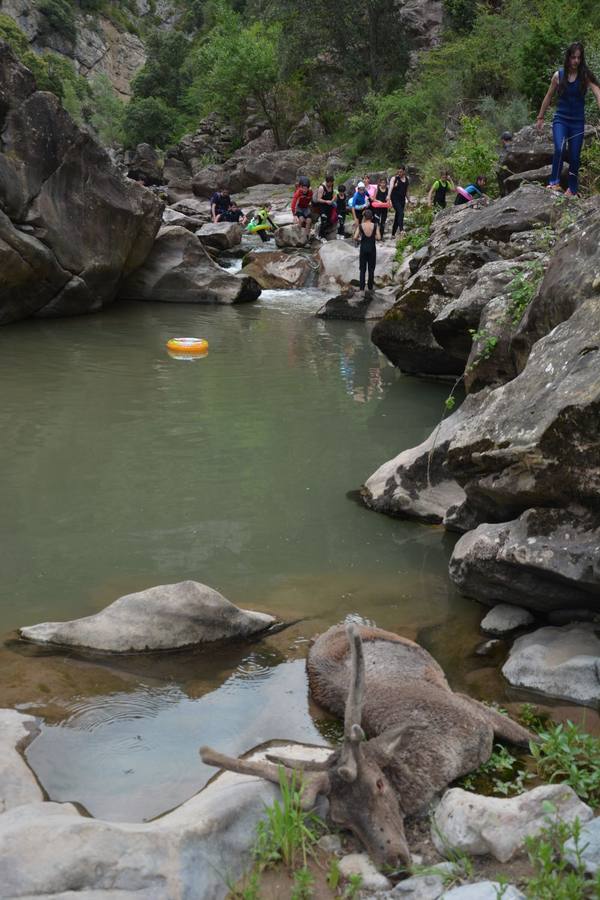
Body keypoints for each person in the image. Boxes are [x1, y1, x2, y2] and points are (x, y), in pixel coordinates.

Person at [536, 41, 600, 197]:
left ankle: (572, 189)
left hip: (577, 122)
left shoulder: (585, 75)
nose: (576, 61)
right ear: (568, 58)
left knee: (574, 156)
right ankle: (554, 183)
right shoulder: (558, 75)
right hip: (561, 120)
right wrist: (540, 116)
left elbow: (598, 93)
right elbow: (548, 96)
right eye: (573, 57)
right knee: (559, 148)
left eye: (578, 58)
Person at [357, 209, 380, 295]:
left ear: (364, 217)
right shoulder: (375, 225)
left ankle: (362, 289)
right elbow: (379, 237)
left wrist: (360, 239)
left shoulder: (360, 226)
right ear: (372, 217)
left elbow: (355, 237)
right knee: (371, 269)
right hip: (372, 249)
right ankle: (370, 288)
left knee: (362, 269)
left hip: (363, 249)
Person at [313, 174, 337, 241]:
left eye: (332, 182)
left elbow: (333, 194)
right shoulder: (322, 188)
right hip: (322, 206)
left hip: (329, 205)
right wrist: (326, 201)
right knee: (324, 220)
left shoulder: (332, 185)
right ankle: (321, 236)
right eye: (331, 182)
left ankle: (320, 229)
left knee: (330, 220)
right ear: (328, 182)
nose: (332, 184)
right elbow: (318, 199)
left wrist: (332, 200)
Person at [389, 164, 410, 237]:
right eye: (398, 172)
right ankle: (401, 230)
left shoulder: (407, 179)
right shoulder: (394, 178)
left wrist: (409, 200)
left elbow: (406, 191)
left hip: (402, 200)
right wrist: (388, 197)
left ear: (404, 171)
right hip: (394, 199)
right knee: (401, 213)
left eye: (401, 172)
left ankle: (393, 234)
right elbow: (391, 188)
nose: (399, 173)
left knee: (397, 215)